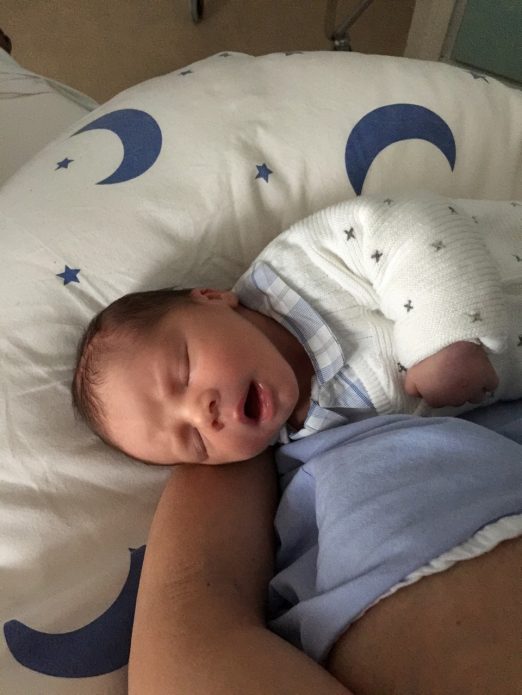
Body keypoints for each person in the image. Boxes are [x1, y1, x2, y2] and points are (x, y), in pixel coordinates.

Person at [72, 193, 522, 466]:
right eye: (194, 442)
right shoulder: (310, 444)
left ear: (212, 298)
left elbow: (412, 222)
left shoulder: (302, 266)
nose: (202, 414)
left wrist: (446, 338)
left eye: (184, 372)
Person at [128, 405, 522, 694]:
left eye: (182, 365)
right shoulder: (232, 446)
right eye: (190, 435)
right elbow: (191, 610)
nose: (204, 413)